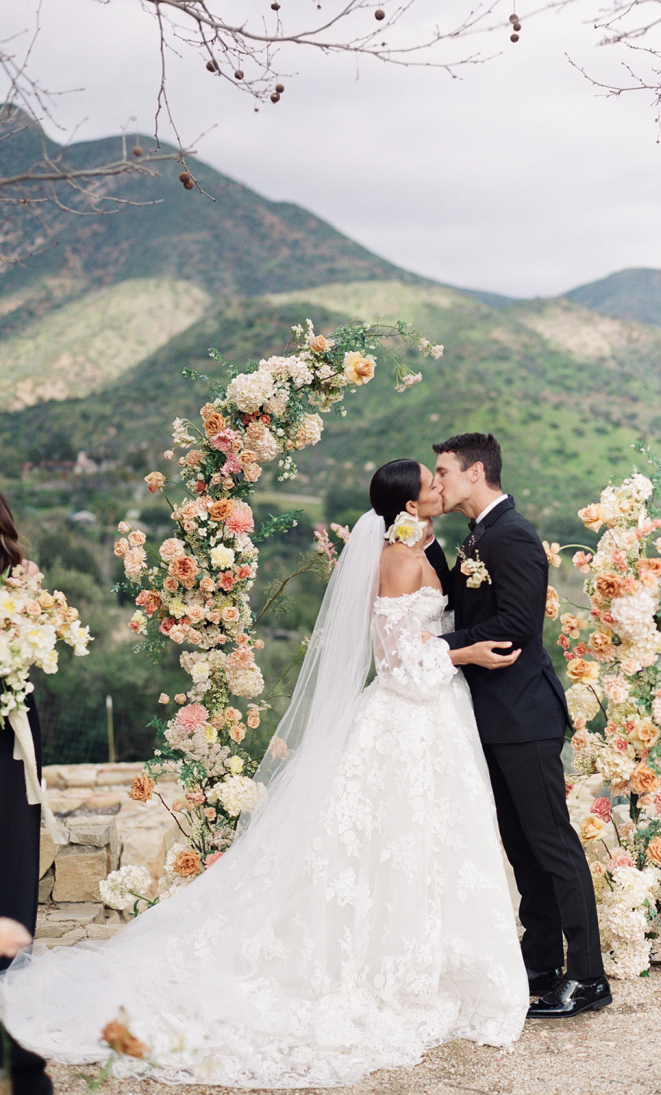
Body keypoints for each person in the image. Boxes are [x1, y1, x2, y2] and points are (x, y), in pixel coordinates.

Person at [1, 460, 529, 1088]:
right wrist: (461, 651)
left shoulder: (422, 546)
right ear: (411, 504)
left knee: (426, 848)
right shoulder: (397, 559)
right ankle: (382, 971)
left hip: (436, 722)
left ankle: (433, 964)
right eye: (431, 482)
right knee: (389, 847)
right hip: (406, 719)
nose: (441, 487)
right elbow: (395, 665)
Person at [426, 433, 611, 1019]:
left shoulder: (514, 534)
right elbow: (463, 600)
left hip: (525, 713)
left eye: (443, 472)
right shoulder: (477, 536)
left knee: (553, 844)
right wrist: (424, 546)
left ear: (476, 472)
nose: (437, 483)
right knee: (521, 846)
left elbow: (516, 626)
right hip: (493, 715)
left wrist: (430, 647)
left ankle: (587, 978)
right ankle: (541, 962)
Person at [0, 491, 54, 1095]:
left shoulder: (20, 576)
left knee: (14, 827)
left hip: (11, 713)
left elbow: (36, 640)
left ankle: (10, 947)